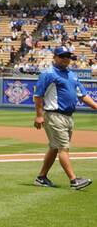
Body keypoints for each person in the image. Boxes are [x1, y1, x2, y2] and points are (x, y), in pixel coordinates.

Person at [33, 46, 95, 190]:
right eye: (62, 56)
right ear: (55, 57)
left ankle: (41, 177)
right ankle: (74, 180)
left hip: (68, 116)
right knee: (63, 148)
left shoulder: (72, 75)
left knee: (55, 147)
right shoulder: (48, 74)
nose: (65, 59)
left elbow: (83, 95)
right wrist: (39, 115)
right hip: (55, 115)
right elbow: (38, 96)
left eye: (68, 56)